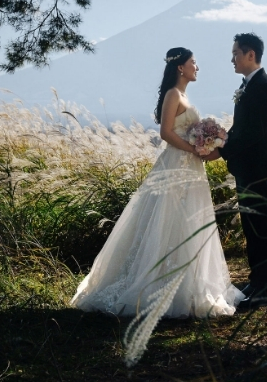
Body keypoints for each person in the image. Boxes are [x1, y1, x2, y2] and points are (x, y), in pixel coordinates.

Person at [71, 48, 243, 359]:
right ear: (181, 67)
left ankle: (188, 284)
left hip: (191, 168)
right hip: (176, 165)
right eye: (193, 62)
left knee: (189, 223)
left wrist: (206, 145)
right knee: (167, 221)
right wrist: (194, 148)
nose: (197, 67)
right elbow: (165, 133)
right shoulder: (172, 94)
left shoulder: (183, 96)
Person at [203, 32, 267, 305]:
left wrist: (222, 150)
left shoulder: (261, 86)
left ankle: (265, 285)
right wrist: (222, 138)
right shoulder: (249, 85)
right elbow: (242, 128)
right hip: (248, 169)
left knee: (260, 227)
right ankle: (257, 281)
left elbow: (254, 134)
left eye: (236, 53)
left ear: (251, 55)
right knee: (252, 226)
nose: (232, 58)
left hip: (258, 169)